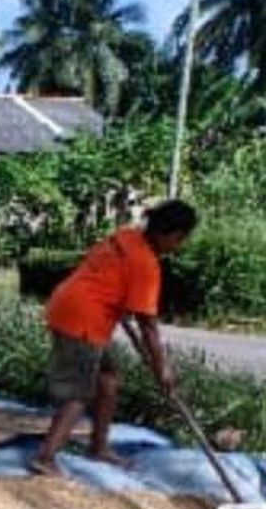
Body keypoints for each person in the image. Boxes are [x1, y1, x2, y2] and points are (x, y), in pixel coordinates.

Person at [29, 199, 198, 475]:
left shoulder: (126, 236)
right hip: (82, 322)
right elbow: (148, 327)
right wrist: (162, 369)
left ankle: (99, 447)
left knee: (108, 380)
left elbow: (108, 275)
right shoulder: (146, 265)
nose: (179, 246)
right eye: (180, 240)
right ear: (172, 234)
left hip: (68, 304)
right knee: (79, 393)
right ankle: (45, 458)